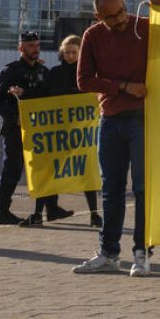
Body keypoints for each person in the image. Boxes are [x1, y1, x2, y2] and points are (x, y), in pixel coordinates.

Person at [72, 0, 160, 277]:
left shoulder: (145, 26)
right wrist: (124, 86)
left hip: (144, 118)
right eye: (111, 17)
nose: (120, 20)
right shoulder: (93, 36)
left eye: (121, 12)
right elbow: (83, 80)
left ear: (125, 4)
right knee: (111, 189)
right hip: (110, 118)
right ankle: (109, 253)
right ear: (99, 16)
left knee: (142, 188)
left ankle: (141, 253)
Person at [0, 31, 61, 225]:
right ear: (21, 48)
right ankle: (1, 210)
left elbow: (49, 97)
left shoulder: (43, 72)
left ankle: (41, 212)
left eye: (37, 45)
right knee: (13, 169)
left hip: (39, 129)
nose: (35, 49)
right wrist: (14, 117)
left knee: (42, 170)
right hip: (16, 130)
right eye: (31, 46)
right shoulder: (11, 71)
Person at [47, 34, 101, 228]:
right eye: (66, 52)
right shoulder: (53, 73)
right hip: (58, 130)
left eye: (73, 52)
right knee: (52, 169)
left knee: (86, 171)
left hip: (81, 131)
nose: (69, 56)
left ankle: (94, 214)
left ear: (80, 53)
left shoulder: (88, 75)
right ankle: (47, 210)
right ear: (62, 52)